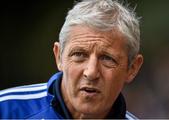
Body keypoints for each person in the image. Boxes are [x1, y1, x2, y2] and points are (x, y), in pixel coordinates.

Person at [0, 0, 143, 119]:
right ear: (59, 56)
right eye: (79, 55)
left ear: (132, 68)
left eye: (107, 58)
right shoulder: (5, 110)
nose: (91, 72)